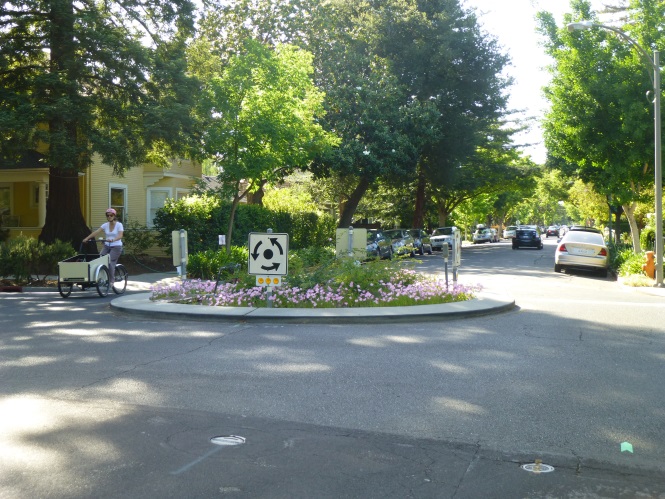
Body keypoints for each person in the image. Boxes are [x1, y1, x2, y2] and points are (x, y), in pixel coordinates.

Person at [83, 208, 124, 283]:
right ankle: (101, 277)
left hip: (116, 247)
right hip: (107, 245)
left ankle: (111, 280)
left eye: (111, 215)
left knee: (110, 261)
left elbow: (120, 235)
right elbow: (96, 232)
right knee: (100, 259)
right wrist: (87, 238)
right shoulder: (105, 225)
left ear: (114, 216)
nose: (109, 217)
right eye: (107, 215)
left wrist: (113, 240)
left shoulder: (119, 225)